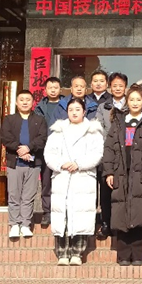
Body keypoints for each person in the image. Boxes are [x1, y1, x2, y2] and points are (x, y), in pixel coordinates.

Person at [103, 86, 142, 266]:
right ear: (127, 102)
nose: (135, 103)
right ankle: (123, 255)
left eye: (138, 100)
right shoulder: (118, 123)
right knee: (121, 211)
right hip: (121, 172)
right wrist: (109, 171)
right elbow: (109, 149)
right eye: (132, 100)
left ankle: (137, 255)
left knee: (140, 212)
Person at [44, 98, 104, 266]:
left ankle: (77, 252)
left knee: (80, 214)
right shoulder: (58, 131)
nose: (74, 112)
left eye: (78, 109)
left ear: (84, 112)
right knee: (62, 214)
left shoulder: (93, 132)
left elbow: (97, 154)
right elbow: (49, 154)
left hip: (83, 177)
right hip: (62, 176)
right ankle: (62, 253)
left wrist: (79, 164)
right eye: (71, 110)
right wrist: (61, 164)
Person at [1, 90, 48, 239]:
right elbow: (6, 137)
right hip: (14, 163)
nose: (25, 102)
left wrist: (29, 148)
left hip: (34, 163)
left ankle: (26, 224)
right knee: (14, 195)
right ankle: (14, 224)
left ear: (33, 102)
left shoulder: (40, 120)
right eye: (21, 99)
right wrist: (20, 150)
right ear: (16, 102)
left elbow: (42, 138)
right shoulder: (9, 119)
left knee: (29, 196)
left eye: (28, 99)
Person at [95, 72, 129, 238]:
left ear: (125, 88)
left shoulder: (131, 104)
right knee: (106, 191)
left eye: (120, 86)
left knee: (124, 190)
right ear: (110, 87)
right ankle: (106, 223)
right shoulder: (103, 107)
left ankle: (123, 223)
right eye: (114, 85)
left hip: (127, 154)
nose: (117, 88)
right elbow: (98, 128)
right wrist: (111, 143)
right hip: (108, 153)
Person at [33, 76, 64, 226]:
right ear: (45, 90)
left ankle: (62, 211)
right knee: (46, 182)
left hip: (63, 149)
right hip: (45, 149)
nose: (53, 90)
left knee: (62, 181)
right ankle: (47, 212)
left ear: (60, 89)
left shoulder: (66, 105)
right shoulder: (39, 107)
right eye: (50, 88)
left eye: (56, 87)